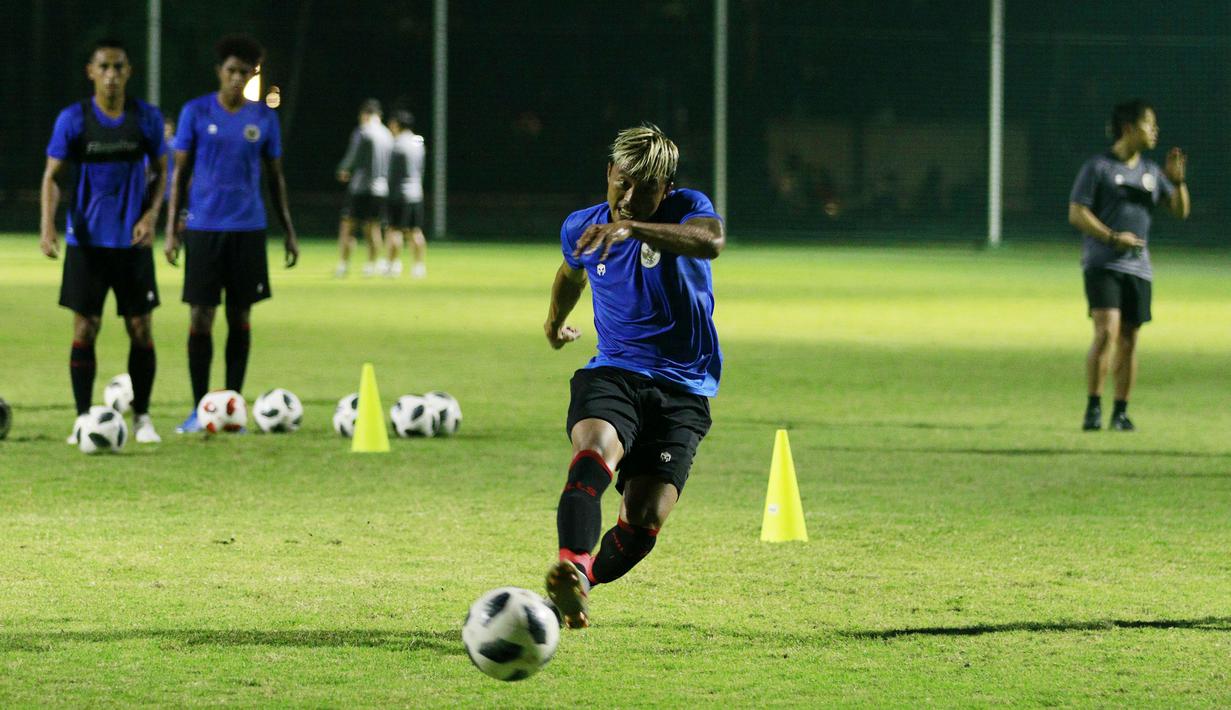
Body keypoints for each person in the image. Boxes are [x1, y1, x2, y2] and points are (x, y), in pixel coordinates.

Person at [542, 124, 725, 629]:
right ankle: (572, 564)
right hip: (615, 372)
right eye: (621, 182)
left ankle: (584, 583)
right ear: (608, 173)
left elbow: (711, 241)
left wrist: (635, 230)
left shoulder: (686, 208)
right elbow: (571, 273)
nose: (627, 197)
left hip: (683, 388)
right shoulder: (583, 226)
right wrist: (555, 324)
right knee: (595, 450)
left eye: (643, 189)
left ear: (665, 188)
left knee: (644, 520)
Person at [164, 34, 299, 433]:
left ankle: (233, 407)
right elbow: (180, 175)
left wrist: (288, 231)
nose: (236, 78)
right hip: (204, 229)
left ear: (251, 74)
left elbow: (275, 179)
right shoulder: (195, 112)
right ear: (219, 72)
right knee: (201, 317)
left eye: (244, 72)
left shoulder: (263, 118)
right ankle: (198, 408)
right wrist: (172, 229)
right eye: (230, 71)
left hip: (248, 230)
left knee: (240, 316)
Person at [39, 38, 167, 445]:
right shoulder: (73, 120)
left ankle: (144, 417)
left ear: (129, 72)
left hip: (131, 243)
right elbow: (51, 177)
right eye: (104, 67)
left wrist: (151, 216)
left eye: (118, 67)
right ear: (91, 72)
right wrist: (48, 226)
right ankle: (82, 419)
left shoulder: (144, 118)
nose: (111, 75)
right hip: (87, 243)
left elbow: (163, 171)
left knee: (141, 329)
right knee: (84, 328)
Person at [1068, 99, 1189, 431]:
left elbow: (1180, 212)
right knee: (1106, 332)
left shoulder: (1151, 172)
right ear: (1129, 129)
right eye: (1150, 124)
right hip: (1103, 264)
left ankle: (1120, 413)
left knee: (1129, 340)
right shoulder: (1098, 167)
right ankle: (1093, 408)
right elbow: (1077, 212)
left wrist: (1177, 182)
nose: (1155, 131)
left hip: (1138, 269)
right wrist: (1110, 237)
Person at [334, 99, 393, 277]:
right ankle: (371, 265)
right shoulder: (387, 134)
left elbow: (354, 155)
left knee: (348, 226)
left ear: (364, 114)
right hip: (381, 188)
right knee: (373, 228)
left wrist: (344, 169)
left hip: (361, 187)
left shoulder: (364, 131)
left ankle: (344, 265)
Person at [386, 109, 427, 278]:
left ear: (397, 125)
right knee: (415, 231)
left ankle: (394, 265)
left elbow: (392, 173)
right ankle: (419, 266)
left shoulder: (397, 145)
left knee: (394, 230)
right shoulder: (418, 143)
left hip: (400, 193)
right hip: (416, 192)